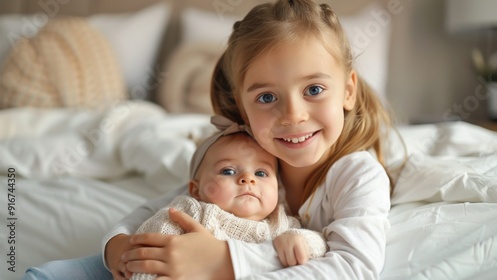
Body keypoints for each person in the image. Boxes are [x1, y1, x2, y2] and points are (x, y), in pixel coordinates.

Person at [23, 0, 394, 279]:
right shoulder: (251, 155)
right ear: (243, 108)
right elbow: (160, 207)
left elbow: (354, 267)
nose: (293, 115)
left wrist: (223, 260)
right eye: (266, 97)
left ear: (347, 91)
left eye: (314, 89)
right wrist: (117, 245)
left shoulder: (358, 174)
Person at [131, 115, 327, 280]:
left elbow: (321, 245)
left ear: (279, 188)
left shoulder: (282, 224)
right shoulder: (189, 212)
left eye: (261, 173)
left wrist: (298, 240)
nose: (247, 179)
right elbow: (150, 250)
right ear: (196, 190)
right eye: (228, 171)